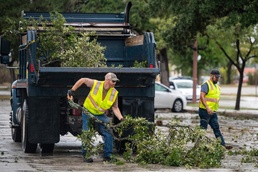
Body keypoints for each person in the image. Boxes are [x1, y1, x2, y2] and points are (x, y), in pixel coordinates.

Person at [67, 72, 124, 163]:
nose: (114, 83)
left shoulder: (114, 93)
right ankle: (86, 155)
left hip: (100, 114)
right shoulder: (96, 84)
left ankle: (107, 156)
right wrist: (72, 90)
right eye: (113, 81)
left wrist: (121, 118)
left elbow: (115, 108)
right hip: (88, 111)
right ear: (107, 80)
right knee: (87, 132)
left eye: (115, 81)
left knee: (108, 132)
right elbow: (83, 80)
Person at [198, 69, 232, 149]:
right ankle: (198, 146)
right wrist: (207, 108)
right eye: (216, 77)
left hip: (213, 112)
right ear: (211, 76)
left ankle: (222, 146)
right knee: (202, 130)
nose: (217, 79)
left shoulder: (217, 87)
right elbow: (202, 96)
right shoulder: (206, 84)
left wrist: (212, 109)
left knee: (216, 128)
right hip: (204, 111)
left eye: (219, 77)